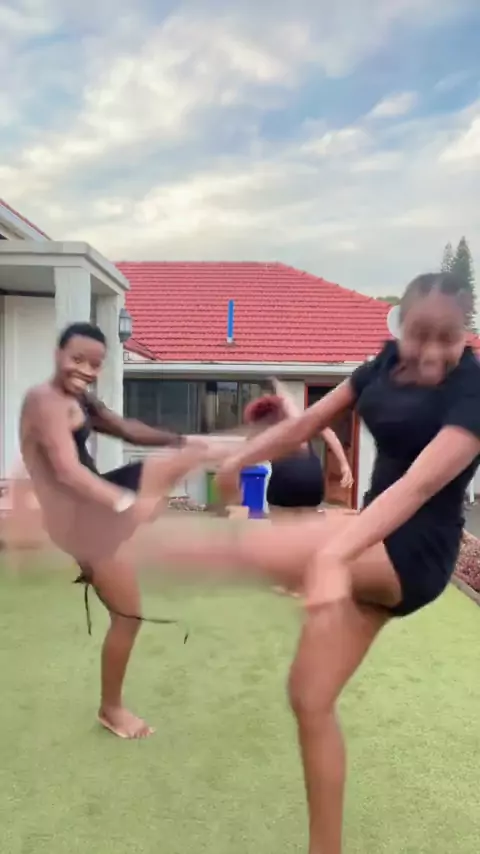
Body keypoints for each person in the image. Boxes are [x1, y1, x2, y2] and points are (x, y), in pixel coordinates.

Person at [10, 273, 480, 851]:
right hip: (375, 539)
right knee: (309, 698)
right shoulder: (381, 364)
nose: (431, 352)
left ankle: (57, 542)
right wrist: (240, 460)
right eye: (419, 334)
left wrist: (334, 555)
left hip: (414, 552)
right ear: (400, 325)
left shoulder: (472, 390)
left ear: (467, 332)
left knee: (236, 547)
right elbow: (305, 423)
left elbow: (418, 486)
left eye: (447, 337)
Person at [15, 321, 224, 740]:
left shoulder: (78, 399)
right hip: (78, 520)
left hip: (96, 502)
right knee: (128, 615)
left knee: (171, 462)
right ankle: (111, 710)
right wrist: (124, 502)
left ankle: (129, 532)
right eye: (77, 359)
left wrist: (180, 441)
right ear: (57, 355)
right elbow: (68, 471)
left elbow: (126, 428)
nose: (86, 370)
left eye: (95, 364)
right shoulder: (44, 401)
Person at [241, 379, 353, 595]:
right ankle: (306, 582)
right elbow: (327, 432)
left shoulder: (267, 428)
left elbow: (248, 448)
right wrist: (344, 464)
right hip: (311, 481)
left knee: (283, 535)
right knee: (306, 534)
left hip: (286, 481)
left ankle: (288, 583)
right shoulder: (302, 420)